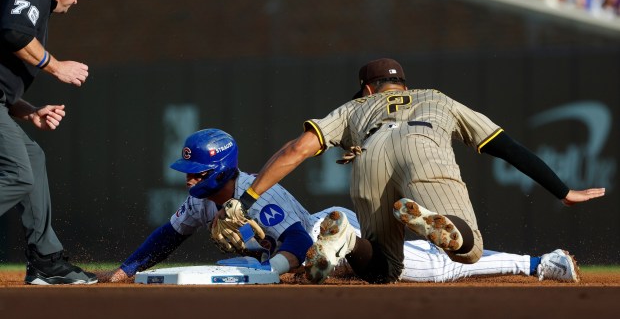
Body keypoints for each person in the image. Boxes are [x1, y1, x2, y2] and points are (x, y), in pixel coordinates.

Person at [237, 58, 605, 284]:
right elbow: (505, 146)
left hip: (370, 158)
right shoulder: (436, 97)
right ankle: (428, 220)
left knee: (383, 270)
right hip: (424, 150)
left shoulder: (356, 109)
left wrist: (248, 196)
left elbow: (297, 149)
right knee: (468, 251)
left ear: (366, 88)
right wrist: (562, 191)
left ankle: (349, 241)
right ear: (404, 86)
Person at [104, 128, 579, 284]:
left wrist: (269, 270)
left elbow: (292, 241)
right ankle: (342, 244)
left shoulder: (256, 192)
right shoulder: (200, 201)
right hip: (317, 251)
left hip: (319, 236)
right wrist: (125, 271)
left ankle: (540, 261)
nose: (188, 180)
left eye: (197, 173)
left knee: (434, 268)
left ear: (223, 171)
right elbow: (166, 237)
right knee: (236, 261)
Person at [0, 0, 96, 285]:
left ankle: (46, 261)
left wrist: (29, 111)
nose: (75, 0)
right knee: (19, 175)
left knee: (32, 160)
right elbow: (14, 33)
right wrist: (56, 67)